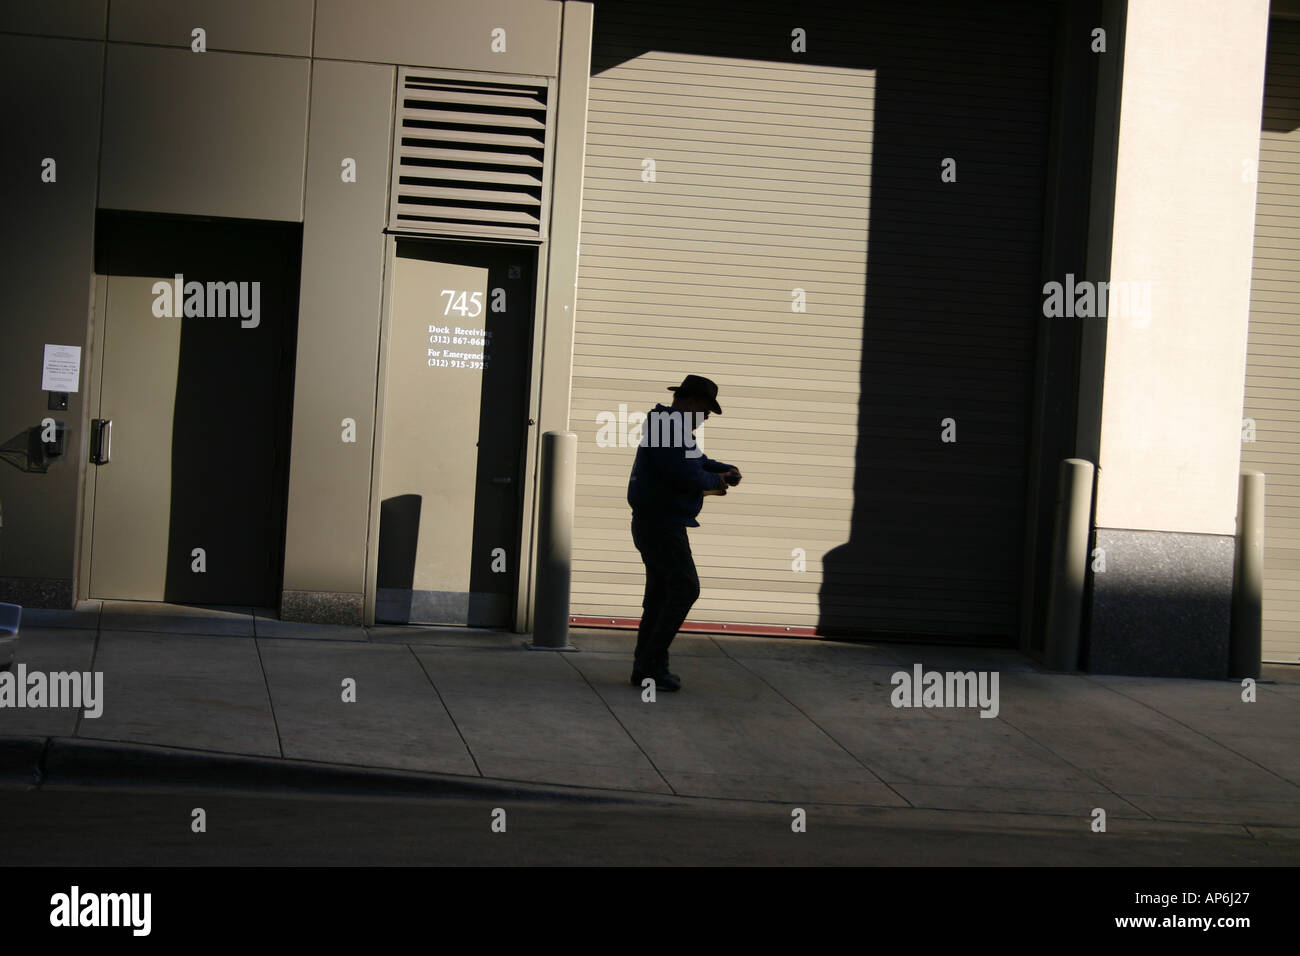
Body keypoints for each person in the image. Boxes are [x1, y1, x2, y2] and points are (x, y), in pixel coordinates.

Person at [626, 375, 741, 692]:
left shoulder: (672, 428)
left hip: (660, 522)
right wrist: (716, 482)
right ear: (690, 402)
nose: (704, 419)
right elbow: (684, 473)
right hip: (660, 523)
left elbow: (697, 461)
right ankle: (651, 665)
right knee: (684, 588)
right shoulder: (668, 427)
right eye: (704, 412)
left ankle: (646, 668)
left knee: (661, 594)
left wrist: (722, 469)